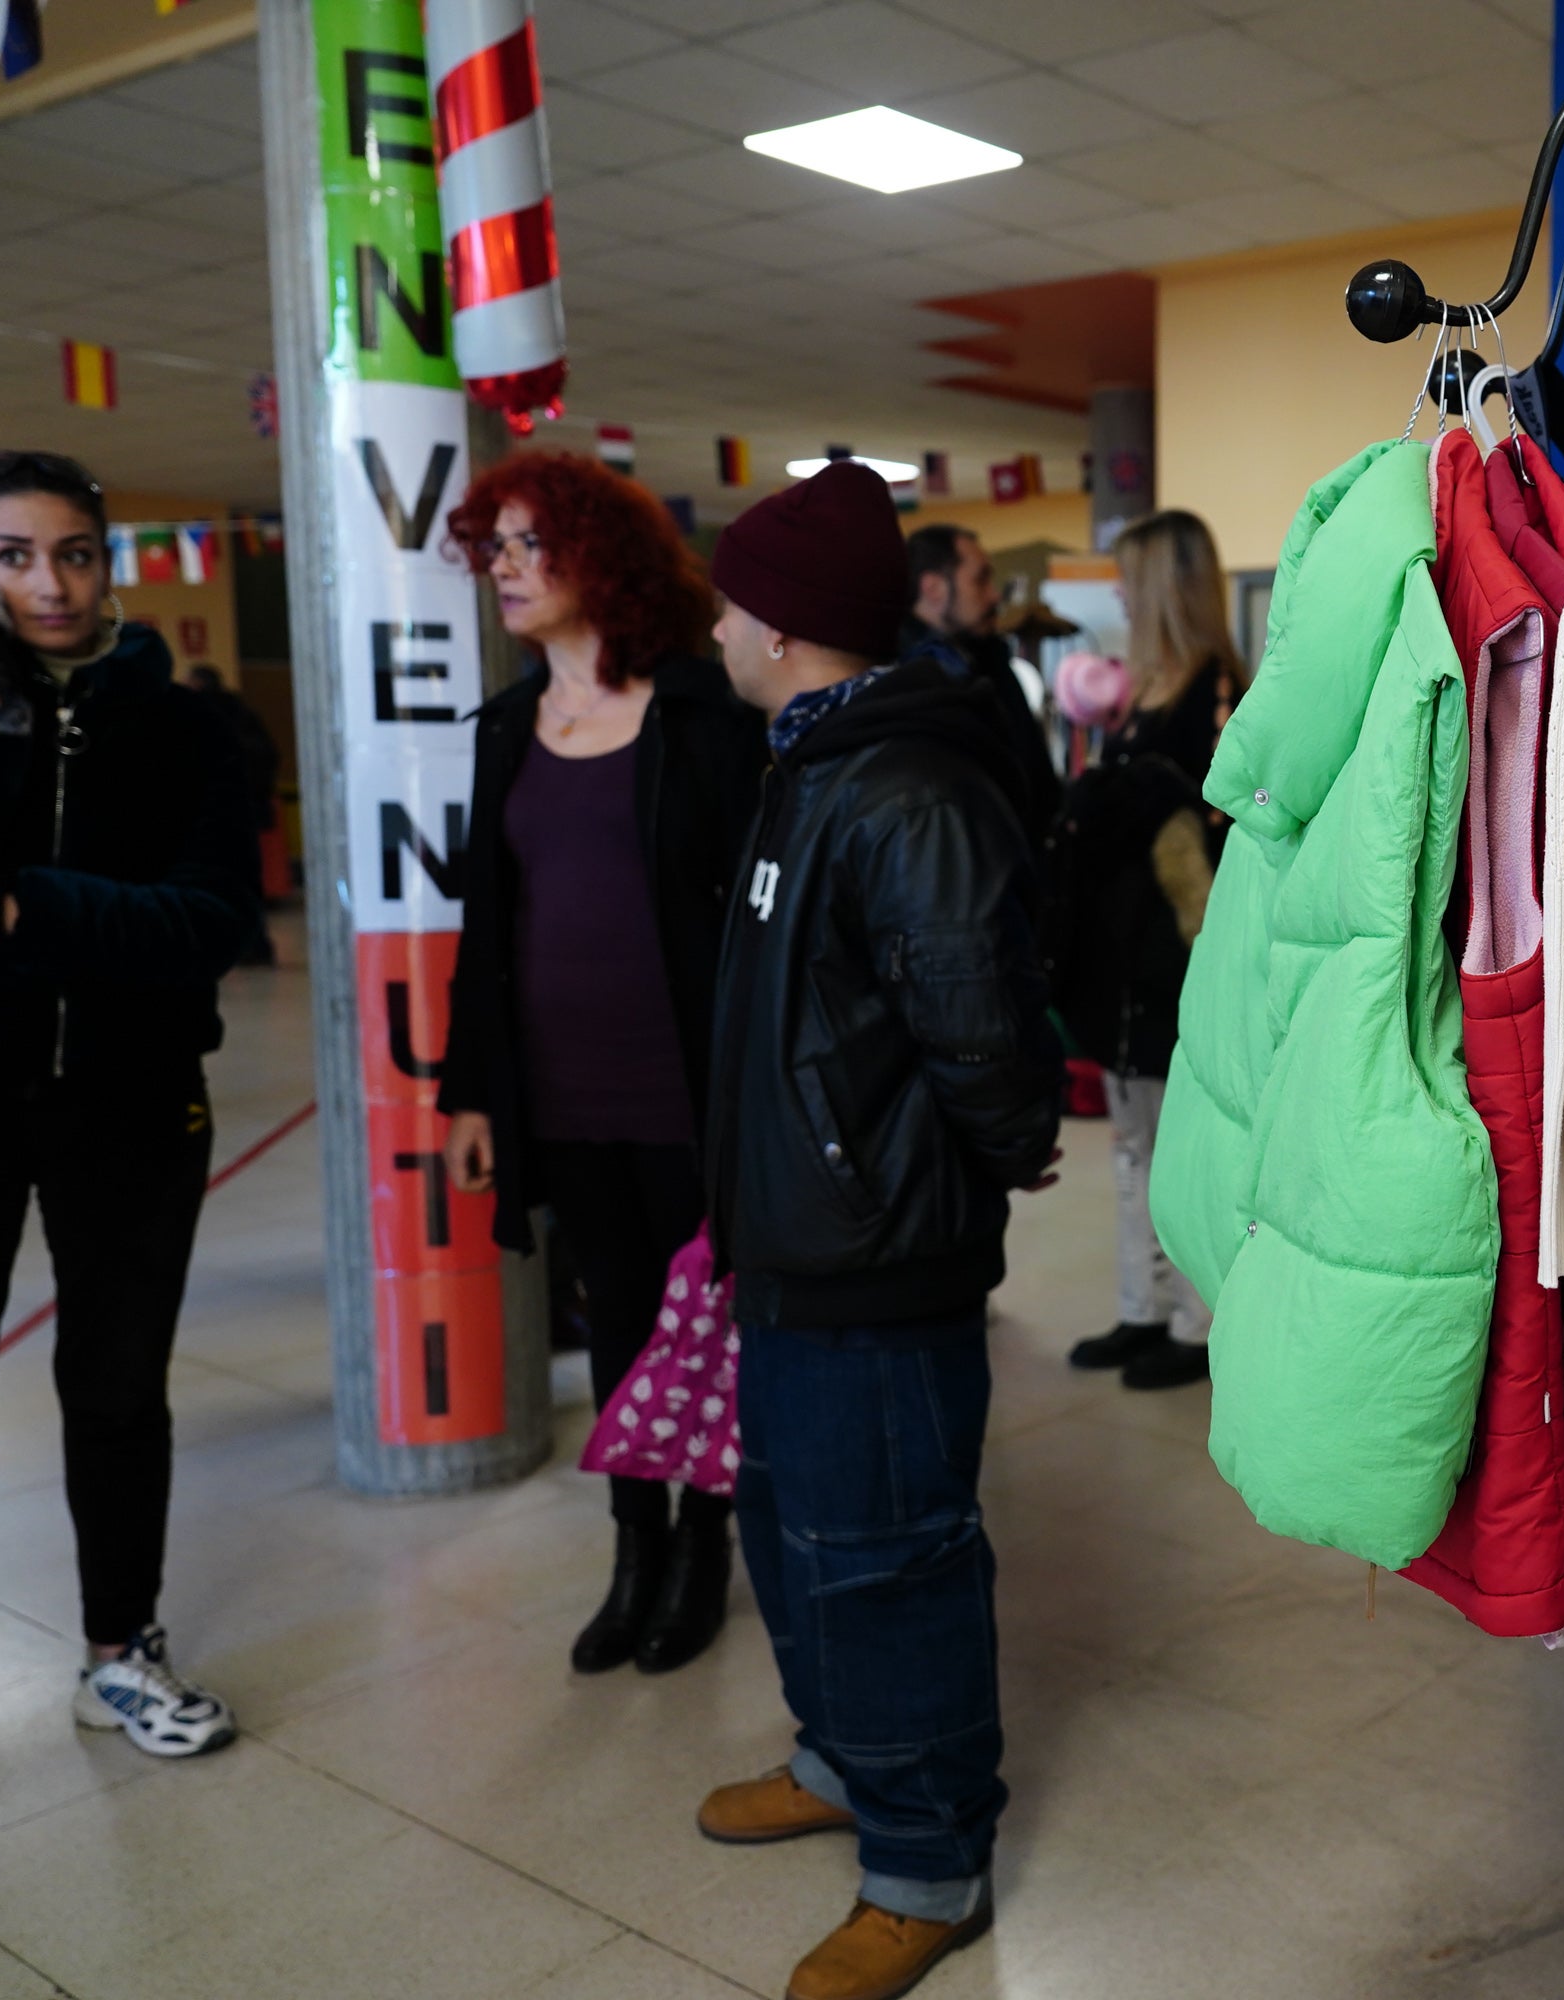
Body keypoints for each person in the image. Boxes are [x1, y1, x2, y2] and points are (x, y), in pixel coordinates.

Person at [690, 462, 1062, 2000]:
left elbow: (978, 1026)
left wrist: (990, 1157)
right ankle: (845, 1760)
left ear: (779, 626)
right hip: (796, 1244)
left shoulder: (902, 784)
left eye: (728, 602)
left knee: (888, 1555)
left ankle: (926, 1860)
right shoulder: (812, 760)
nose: (712, 624)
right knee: (792, 1530)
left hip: (874, 1253)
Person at [0, 451, 261, 1840]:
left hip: (129, 1098)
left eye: (77, 555)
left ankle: (122, 1654)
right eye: (14, 555)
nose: (50, 584)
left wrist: (24, 915)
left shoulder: (180, 725)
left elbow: (212, 918)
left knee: (115, 1389)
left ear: (113, 561)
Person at [436, 452, 762, 1678]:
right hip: (562, 1087)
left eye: (529, 545)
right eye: (496, 547)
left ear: (600, 560)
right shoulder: (511, 725)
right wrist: (468, 1087)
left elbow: (748, 915)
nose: (504, 568)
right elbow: (486, 922)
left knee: (702, 1327)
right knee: (617, 1318)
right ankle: (635, 1548)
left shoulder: (700, 714)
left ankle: (704, 1551)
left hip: (686, 1082)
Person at [1057, 509, 1245, 1392]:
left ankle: (1196, 1323)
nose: (1119, 596)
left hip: (1185, 961)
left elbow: (1231, 828)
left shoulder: (1217, 691)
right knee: (1132, 1147)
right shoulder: (1139, 697)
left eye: (1130, 578)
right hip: (1124, 960)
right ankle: (1143, 1307)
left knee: (1182, 1152)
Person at [903, 523, 1056, 831]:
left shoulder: (987, 659)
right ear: (933, 588)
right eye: (981, 579)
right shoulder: (902, 683)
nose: (995, 595)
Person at [183, 665, 280, 965]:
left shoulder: (195, 715)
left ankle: (217, 945)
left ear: (197, 684)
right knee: (246, 879)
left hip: (206, 814)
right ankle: (255, 944)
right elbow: (269, 757)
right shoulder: (244, 715)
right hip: (250, 812)